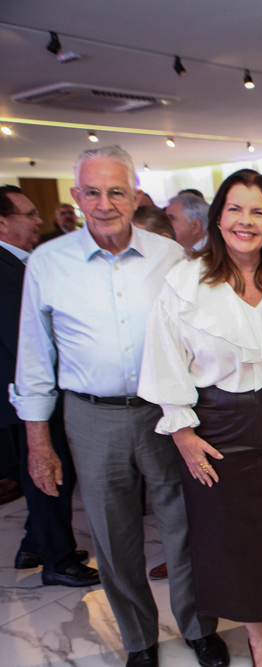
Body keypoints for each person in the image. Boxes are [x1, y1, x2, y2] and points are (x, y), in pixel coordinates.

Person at [11, 146, 228, 667]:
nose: (104, 203)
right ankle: (139, 641)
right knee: (113, 536)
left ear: (135, 196)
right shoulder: (48, 263)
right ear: (75, 196)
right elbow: (34, 361)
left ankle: (200, 628)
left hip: (164, 412)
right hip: (90, 415)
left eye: (116, 192)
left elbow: (195, 338)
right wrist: (39, 444)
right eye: (92, 192)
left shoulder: (169, 256)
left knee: (185, 525)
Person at [138, 169, 262, 667]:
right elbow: (164, 362)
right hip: (219, 425)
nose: (246, 221)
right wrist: (184, 435)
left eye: (258, 211)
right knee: (233, 538)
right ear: (217, 218)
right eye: (235, 209)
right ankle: (259, 637)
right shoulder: (185, 282)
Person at [0, 185, 97, 582]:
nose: (39, 220)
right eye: (28, 214)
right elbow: (25, 342)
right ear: (3, 222)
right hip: (32, 396)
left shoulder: (20, 264)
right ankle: (58, 561)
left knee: (40, 474)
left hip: (25, 396)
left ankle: (34, 545)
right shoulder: (7, 270)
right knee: (49, 474)